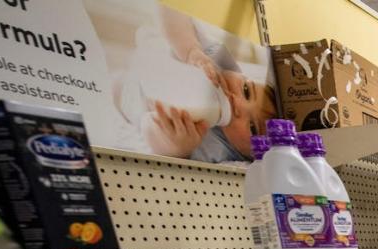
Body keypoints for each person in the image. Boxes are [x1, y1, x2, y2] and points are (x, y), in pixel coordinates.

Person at [113, 5, 278, 162]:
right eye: (247, 91)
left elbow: (149, 126)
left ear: (245, 155)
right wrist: (191, 50)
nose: (237, 103)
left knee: (113, 87)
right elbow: (172, 9)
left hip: (125, 96)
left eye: (252, 127)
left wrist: (176, 147)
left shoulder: (214, 149)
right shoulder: (218, 62)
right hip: (151, 61)